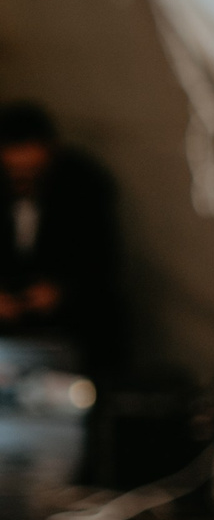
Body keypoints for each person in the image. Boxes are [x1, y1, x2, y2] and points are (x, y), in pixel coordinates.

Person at [0, 100, 124, 372]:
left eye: (32, 173)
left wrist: (62, 291)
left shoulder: (83, 187)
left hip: (69, 324)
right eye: (15, 174)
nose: (23, 182)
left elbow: (101, 260)